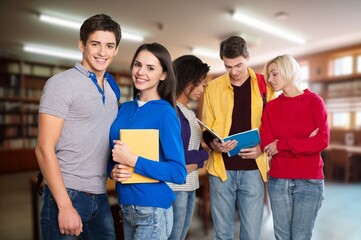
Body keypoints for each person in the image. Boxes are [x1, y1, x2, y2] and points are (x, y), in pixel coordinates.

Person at [35, 14, 121, 239]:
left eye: (109, 46)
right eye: (95, 44)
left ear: (116, 50)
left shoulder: (112, 90)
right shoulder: (61, 84)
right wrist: (64, 206)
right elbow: (44, 148)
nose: (103, 52)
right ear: (81, 44)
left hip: (101, 195)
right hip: (66, 194)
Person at [108, 42, 187, 240]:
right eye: (137, 65)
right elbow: (113, 153)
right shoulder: (123, 109)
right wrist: (112, 171)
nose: (141, 72)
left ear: (163, 75)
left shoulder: (166, 113)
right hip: (126, 207)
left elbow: (178, 173)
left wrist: (133, 160)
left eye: (150, 68)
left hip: (153, 211)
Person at [201, 35, 275, 240]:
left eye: (239, 65)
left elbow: (274, 127)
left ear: (248, 57)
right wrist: (214, 144)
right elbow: (206, 129)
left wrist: (262, 147)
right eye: (228, 66)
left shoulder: (265, 86)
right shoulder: (213, 88)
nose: (234, 72)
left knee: (250, 234)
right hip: (221, 171)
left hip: (253, 170)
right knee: (222, 234)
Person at [260, 54, 330, 240]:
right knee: (282, 237)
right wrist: (305, 142)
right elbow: (267, 144)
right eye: (268, 75)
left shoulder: (315, 102)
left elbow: (322, 141)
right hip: (278, 180)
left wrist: (282, 144)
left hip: (309, 181)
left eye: (274, 74)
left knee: (300, 236)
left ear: (288, 71)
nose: (270, 79)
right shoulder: (271, 107)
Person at [168, 55, 210, 240]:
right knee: (174, 236)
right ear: (185, 79)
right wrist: (203, 156)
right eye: (199, 83)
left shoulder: (190, 113)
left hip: (190, 184)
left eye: (204, 84)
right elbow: (177, 155)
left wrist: (208, 145)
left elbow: (192, 146)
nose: (202, 88)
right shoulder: (171, 111)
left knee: (181, 235)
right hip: (176, 186)